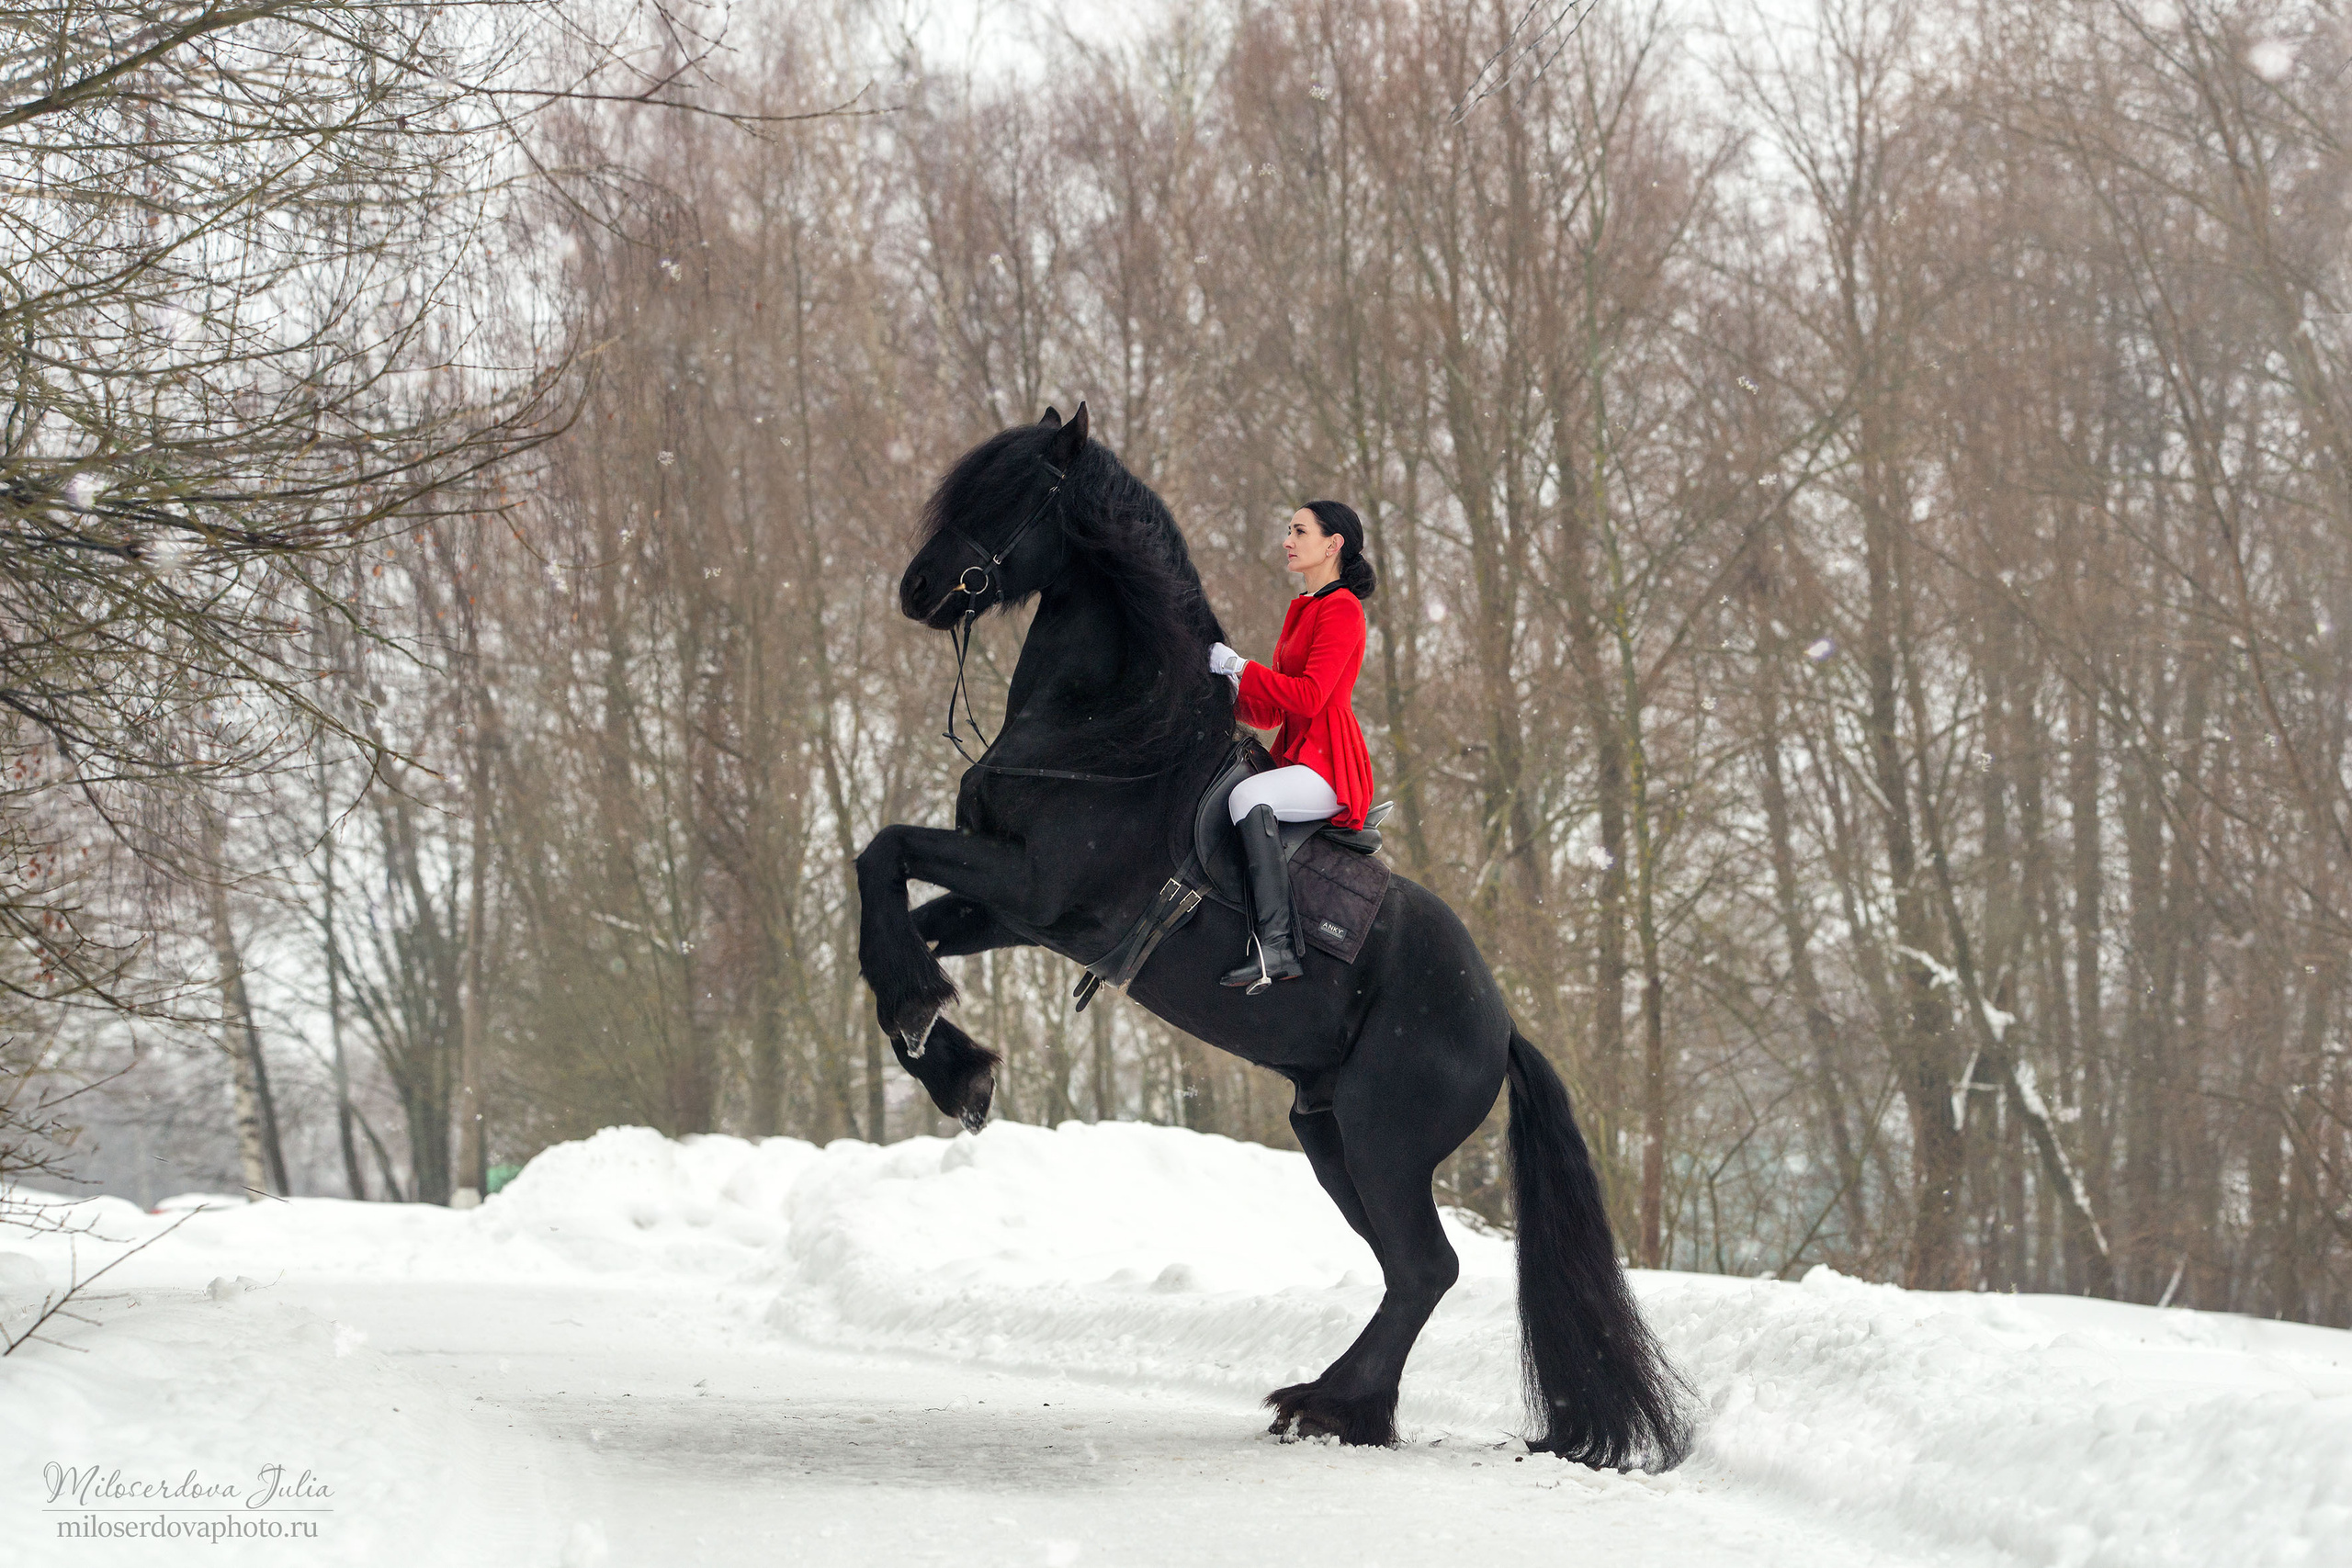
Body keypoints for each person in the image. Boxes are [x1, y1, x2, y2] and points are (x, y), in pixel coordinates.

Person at [1206, 500, 1377, 994]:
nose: (1288, 540)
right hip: (1299, 751)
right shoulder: (1302, 608)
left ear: (1332, 544)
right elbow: (1274, 711)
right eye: (1288, 530)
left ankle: (1277, 947)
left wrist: (1240, 667)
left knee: (1248, 797)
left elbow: (1311, 695)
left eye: (1299, 531)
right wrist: (1217, 695)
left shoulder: (1342, 608)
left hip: (1329, 765)